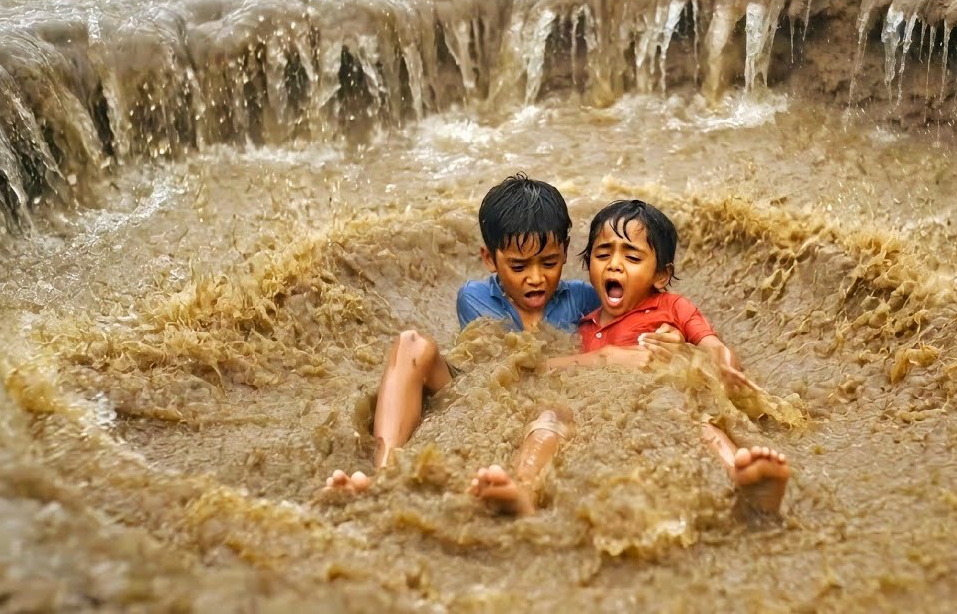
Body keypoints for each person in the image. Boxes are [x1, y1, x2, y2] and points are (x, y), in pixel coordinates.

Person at [324, 173, 644, 494]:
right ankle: (385, 472)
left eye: (549, 262)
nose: (535, 278)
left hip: (548, 402)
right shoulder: (474, 297)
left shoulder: (584, 298)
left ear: (564, 251)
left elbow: (634, 321)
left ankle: (519, 489)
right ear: (489, 259)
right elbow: (505, 371)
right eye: (519, 267)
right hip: (481, 390)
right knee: (411, 344)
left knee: (553, 412)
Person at [468, 199, 791, 518]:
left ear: (661, 276)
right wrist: (605, 357)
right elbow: (546, 370)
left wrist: (721, 363)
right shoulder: (583, 323)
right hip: (602, 412)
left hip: (666, 399)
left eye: (632, 256)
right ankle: (523, 489)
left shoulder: (672, 307)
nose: (614, 265)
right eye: (603, 254)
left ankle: (744, 478)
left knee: (700, 423)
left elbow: (711, 345)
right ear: (588, 265)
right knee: (550, 417)